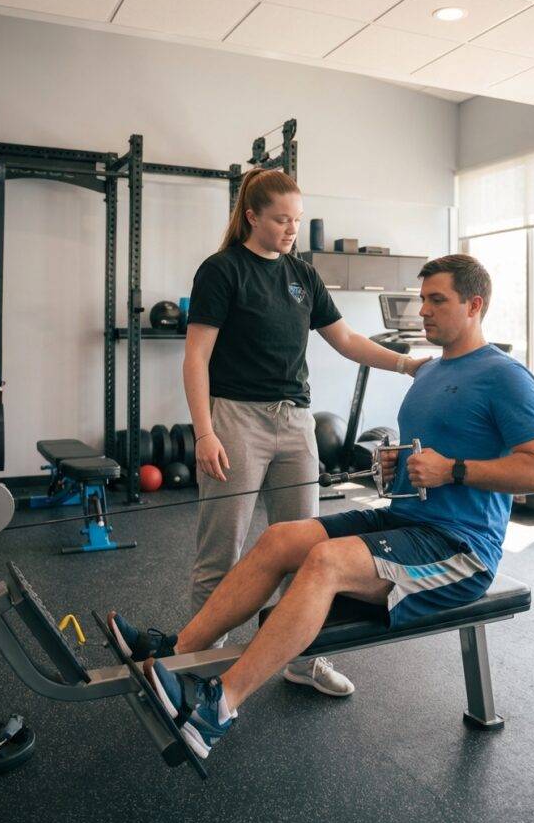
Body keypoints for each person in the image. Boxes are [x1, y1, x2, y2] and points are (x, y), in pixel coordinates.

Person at [109, 253, 534, 761]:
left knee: (326, 561)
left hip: (460, 549)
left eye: (437, 301)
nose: (424, 311)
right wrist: (399, 469)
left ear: (474, 306)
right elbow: (429, 459)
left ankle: (217, 708)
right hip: (410, 520)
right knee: (283, 537)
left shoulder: (505, 376)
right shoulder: (429, 372)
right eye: (422, 300)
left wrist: (454, 469)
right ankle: (175, 653)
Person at [181, 167, 430, 698]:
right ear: (252, 216)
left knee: (303, 547)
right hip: (236, 419)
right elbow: (196, 356)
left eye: (296, 219)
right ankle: (200, 667)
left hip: (296, 423)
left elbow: (345, 340)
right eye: (280, 219)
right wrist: (205, 433)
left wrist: (406, 365)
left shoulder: (302, 276)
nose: (291, 229)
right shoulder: (222, 271)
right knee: (221, 549)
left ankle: (302, 658)